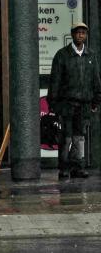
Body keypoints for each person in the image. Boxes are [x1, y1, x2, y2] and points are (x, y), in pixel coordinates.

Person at [48, 22, 101, 179]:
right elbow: (55, 80)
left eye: (83, 33)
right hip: (66, 104)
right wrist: (53, 103)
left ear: (86, 35)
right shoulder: (62, 55)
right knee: (66, 137)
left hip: (84, 103)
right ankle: (64, 168)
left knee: (80, 137)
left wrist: (96, 101)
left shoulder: (90, 55)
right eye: (78, 32)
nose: (81, 35)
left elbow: (96, 79)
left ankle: (77, 167)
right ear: (72, 34)